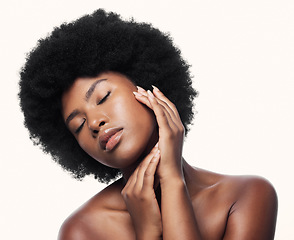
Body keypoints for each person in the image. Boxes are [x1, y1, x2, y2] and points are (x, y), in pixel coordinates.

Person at [19, 9, 278, 240]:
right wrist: (147, 234)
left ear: (148, 87)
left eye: (104, 97)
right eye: (78, 125)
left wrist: (173, 182)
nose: (95, 123)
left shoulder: (246, 196)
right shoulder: (83, 230)